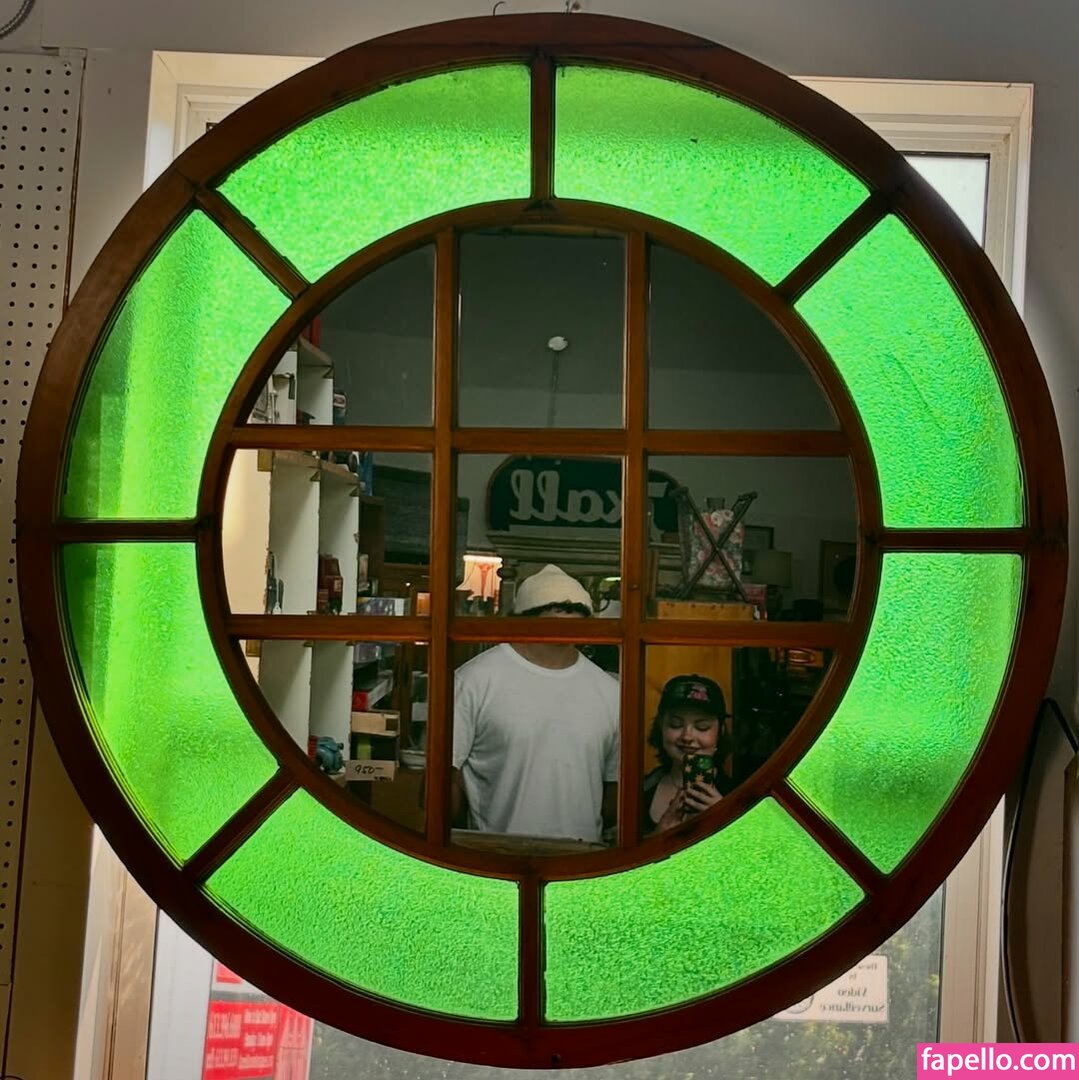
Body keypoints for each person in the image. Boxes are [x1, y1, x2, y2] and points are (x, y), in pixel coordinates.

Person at [451, 564, 620, 842]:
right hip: (495, 855)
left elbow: (614, 793)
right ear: (523, 619)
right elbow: (444, 782)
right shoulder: (474, 680)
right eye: (556, 613)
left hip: (581, 857)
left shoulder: (611, 692)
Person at [643, 674, 732, 834]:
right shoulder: (639, 791)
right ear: (661, 727)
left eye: (702, 727)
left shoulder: (740, 795)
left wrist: (727, 821)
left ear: (720, 732)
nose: (687, 736)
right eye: (675, 724)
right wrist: (658, 838)